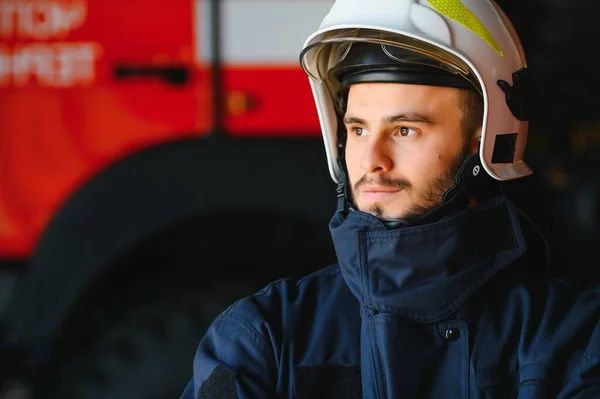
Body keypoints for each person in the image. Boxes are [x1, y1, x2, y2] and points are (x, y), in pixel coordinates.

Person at [180, 0, 600, 397]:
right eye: (358, 129)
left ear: (483, 140)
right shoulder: (263, 338)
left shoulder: (569, 341)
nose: (371, 160)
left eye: (405, 130)